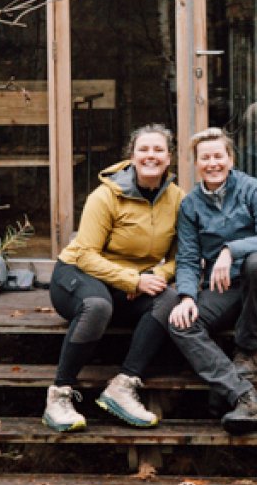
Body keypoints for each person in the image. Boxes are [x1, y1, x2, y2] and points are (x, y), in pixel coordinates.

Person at [44, 125, 182, 432]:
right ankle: (59, 395)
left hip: (129, 282)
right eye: (143, 149)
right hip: (77, 276)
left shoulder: (177, 200)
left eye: (158, 150)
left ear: (169, 158)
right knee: (97, 306)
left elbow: (179, 258)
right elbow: (85, 255)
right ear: (131, 156)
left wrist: (155, 275)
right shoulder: (106, 196)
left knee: (169, 299)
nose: (151, 156)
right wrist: (131, 280)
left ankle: (122, 385)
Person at [163, 126, 257, 432]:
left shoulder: (254, 190)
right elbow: (189, 260)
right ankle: (242, 396)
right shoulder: (190, 205)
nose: (212, 163)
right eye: (205, 158)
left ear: (230, 159)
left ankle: (247, 349)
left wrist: (230, 250)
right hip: (228, 290)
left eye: (219, 156)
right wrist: (187, 296)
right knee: (181, 323)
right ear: (196, 164)